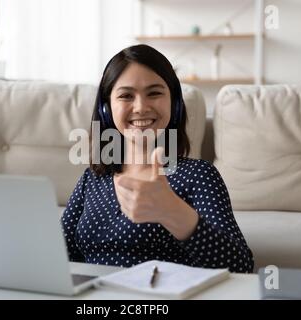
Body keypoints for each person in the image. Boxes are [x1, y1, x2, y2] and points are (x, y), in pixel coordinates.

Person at [62, 44, 254, 273]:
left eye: (154, 93)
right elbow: (58, 254)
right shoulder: (93, 178)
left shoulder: (198, 175)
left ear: (173, 103)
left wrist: (173, 211)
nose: (141, 107)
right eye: (126, 96)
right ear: (106, 108)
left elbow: (240, 267)